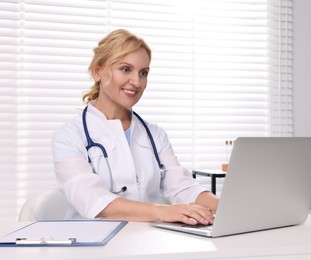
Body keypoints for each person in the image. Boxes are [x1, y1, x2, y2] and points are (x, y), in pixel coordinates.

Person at [52, 29, 219, 225]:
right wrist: (163, 211)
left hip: (147, 239)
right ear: (97, 71)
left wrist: (226, 205)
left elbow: (181, 187)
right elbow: (93, 200)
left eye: (143, 73)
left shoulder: (155, 135)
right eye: (125, 69)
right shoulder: (69, 136)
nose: (137, 82)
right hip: (94, 243)